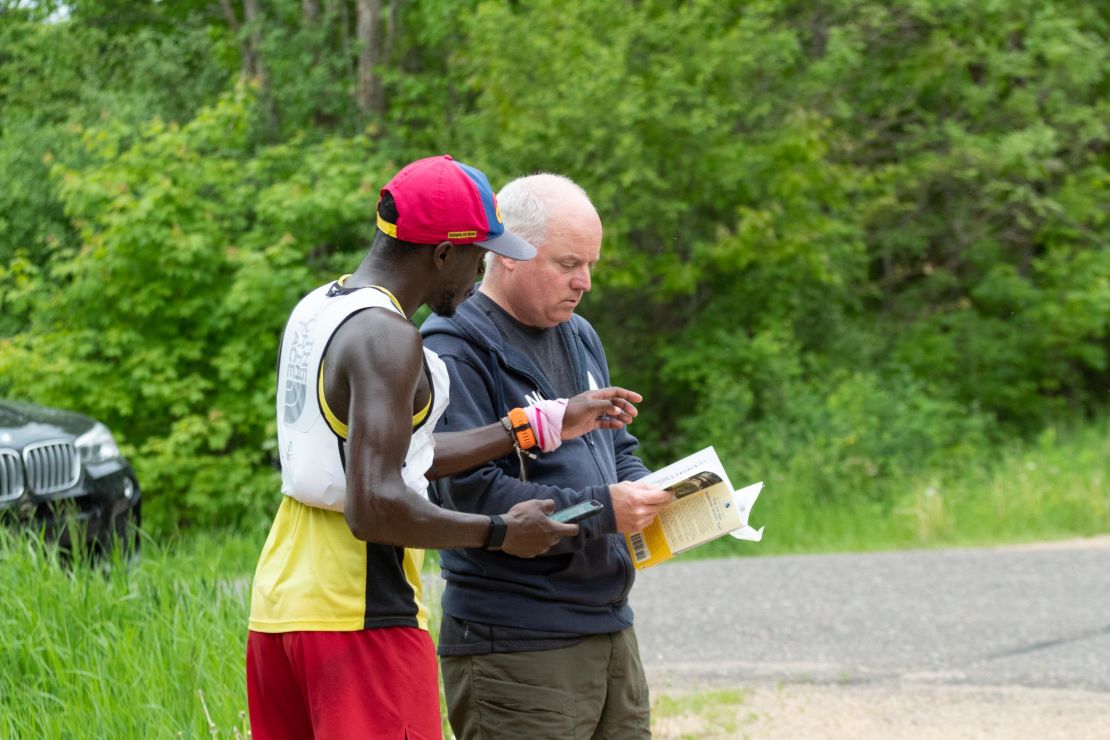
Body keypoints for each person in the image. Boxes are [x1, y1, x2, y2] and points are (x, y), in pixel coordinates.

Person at [246, 156, 644, 740]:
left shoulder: (322, 308)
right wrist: (500, 531)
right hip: (358, 610)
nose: (482, 269)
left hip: (282, 605)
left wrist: (534, 426)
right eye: (479, 254)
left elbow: (401, 454)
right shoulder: (390, 336)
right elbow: (374, 505)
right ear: (442, 253)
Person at [421, 173, 673, 739]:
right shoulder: (451, 346)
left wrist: (655, 493)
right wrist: (601, 508)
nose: (583, 282)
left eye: (590, 265)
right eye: (567, 264)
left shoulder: (579, 334)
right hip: (516, 645)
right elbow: (466, 491)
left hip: (610, 630)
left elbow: (617, 448)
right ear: (508, 253)